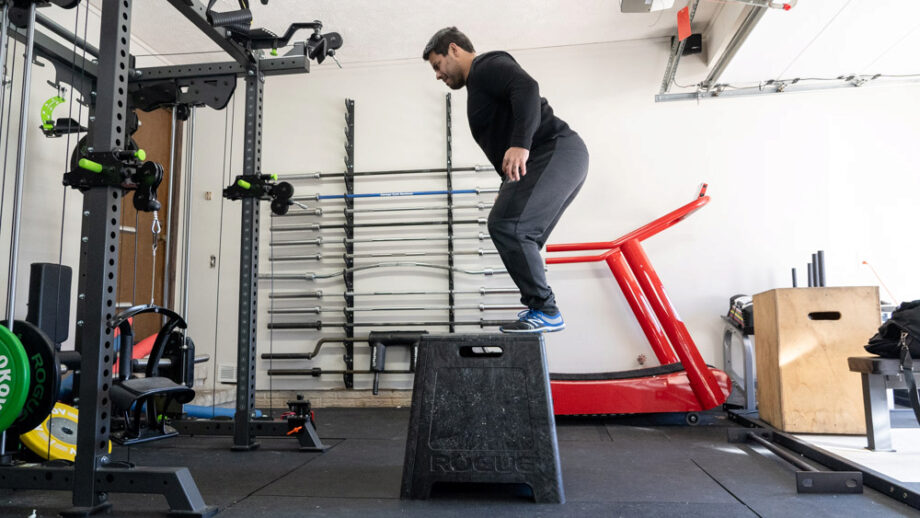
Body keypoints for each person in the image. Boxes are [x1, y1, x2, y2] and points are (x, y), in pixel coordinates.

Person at [423, 27, 589, 333]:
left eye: (437, 65)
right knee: (518, 235)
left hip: (554, 149)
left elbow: (527, 87)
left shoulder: (486, 65)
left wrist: (521, 144)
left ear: (454, 49)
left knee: (508, 226)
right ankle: (542, 308)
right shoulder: (478, 86)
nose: (437, 75)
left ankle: (546, 309)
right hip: (550, 158)